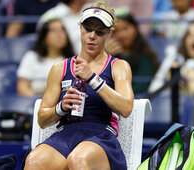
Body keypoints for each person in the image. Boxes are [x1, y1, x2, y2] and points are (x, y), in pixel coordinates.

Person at [24, 1, 134, 169]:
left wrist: (93, 79)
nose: (92, 36)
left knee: (78, 159)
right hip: (66, 133)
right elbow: (42, 119)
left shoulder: (118, 66)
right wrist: (61, 107)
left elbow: (126, 108)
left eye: (100, 32)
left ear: (109, 34)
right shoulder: (59, 68)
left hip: (102, 135)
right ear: (80, 28)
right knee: (34, 161)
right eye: (88, 29)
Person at [106, 8, 159, 95]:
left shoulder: (145, 55)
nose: (122, 35)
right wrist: (105, 57)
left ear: (135, 28)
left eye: (125, 28)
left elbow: (141, 87)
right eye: (116, 31)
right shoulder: (110, 56)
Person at [17, 18, 74, 97]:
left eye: (63, 30)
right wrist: (39, 103)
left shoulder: (73, 61)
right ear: (44, 37)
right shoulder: (31, 57)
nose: (59, 34)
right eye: (53, 30)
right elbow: (22, 87)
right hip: (34, 102)